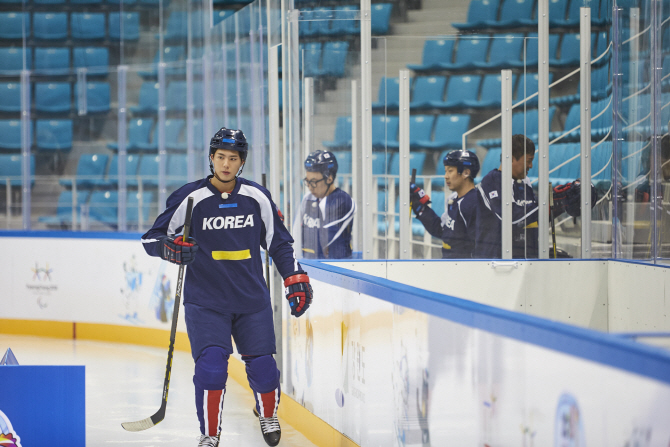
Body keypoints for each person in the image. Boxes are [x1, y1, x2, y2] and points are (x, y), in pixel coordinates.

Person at [141, 127, 313, 447]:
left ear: (241, 162)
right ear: (211, 158)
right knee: (211, 367)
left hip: (251, 300)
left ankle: (267, 413)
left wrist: (293, 277)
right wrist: (172, 249)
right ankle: (209, 434)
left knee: (264, 368)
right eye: (220, 157)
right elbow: (151, 238)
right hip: (205, 301)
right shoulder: (190, 197)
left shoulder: (256, 196)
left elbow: (279, 243)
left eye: (233, 158)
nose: (225, 164)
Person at [475, 134, 539, 258]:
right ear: (511, 158)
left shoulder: (526, 182)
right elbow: (510, 216)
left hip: (525, 260)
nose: (531, 166)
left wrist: (559, 204)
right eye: (528, 161)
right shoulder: (491, 181)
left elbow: (533, 217)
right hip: (495, 264)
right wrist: (545, 207)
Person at [409, 150, 480, 258]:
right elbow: (442, 231)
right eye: (445, 171)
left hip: (464, 269)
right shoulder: (453, 199)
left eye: (450, 171)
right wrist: (419, 207)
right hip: (449, 265)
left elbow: (480, 244)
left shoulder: (475, 203)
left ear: (466, 172)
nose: (446, 176)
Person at [295, 150, 356, 259]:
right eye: (307, 181)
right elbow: (297, 234)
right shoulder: (308, 198)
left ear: (329, 179)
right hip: (310, 266)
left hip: (337, 269)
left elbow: (324, 238)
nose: (309, 187)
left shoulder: (342, 200)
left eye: (313, 182)